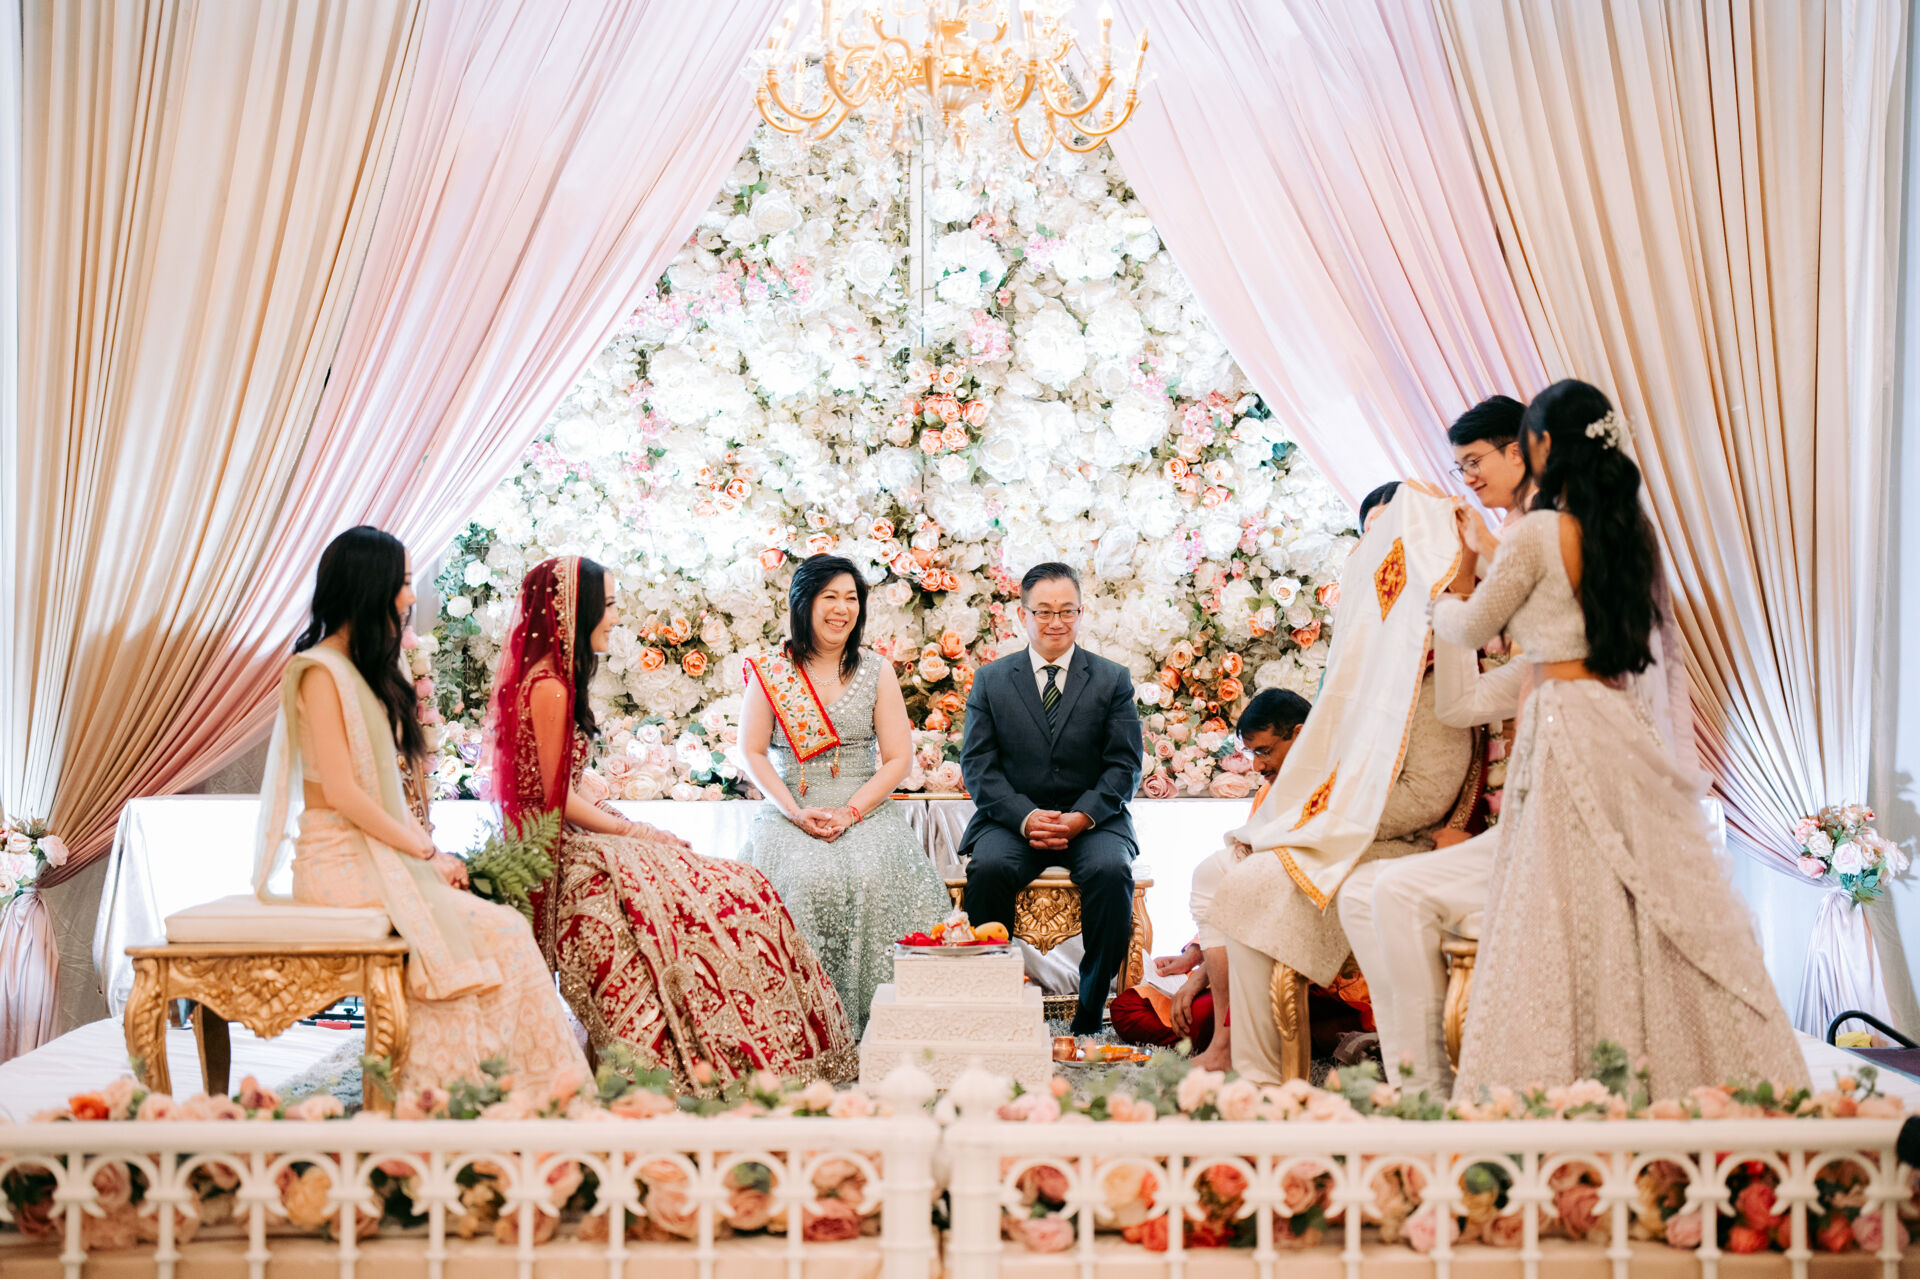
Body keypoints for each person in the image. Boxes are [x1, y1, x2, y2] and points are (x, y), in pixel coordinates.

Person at [1434, 379, 1807, 1097]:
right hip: (1615, 718)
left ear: (1543, 444)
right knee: (1631, 886)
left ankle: (1571, 1065)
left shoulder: (1537, 533)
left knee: (1556, 892)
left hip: (1561, 720)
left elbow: (1471, 625)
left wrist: (1458, 578)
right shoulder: (1625, 532)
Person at [487, 556, 855, 1090]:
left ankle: (742, 1047)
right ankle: (717, 1056)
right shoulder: (550, 687)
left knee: (734, 882)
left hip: (573, 838)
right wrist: (636, 832)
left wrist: (630, 825)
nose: (616, 617)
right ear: (575, 610)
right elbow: (555, 800)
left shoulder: (552, 680)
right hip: (558, 852)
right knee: (733, 890)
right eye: (608, 605)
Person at [254, 526, 587, 1094]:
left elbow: (382, 792)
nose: (410, 597)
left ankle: (520, 1090)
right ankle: (465, 1091)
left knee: (503, 931)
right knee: (500, 931)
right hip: (337, 862)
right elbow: (345, 794)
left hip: (375, 853)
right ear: (369, 585)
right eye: (404, 582)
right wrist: (427, 853)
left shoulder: (361, 671)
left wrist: (429, 855)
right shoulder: (318, 673)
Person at [1208, 485, 1476, 1084]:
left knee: (1260, 882)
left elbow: (1427, 797)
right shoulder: (1368, 668)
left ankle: (1268, 1076)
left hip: (1402, 840)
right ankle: (1259, 1073)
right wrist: (1307, 819)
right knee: (1244, 876)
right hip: (1351, 831)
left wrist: (1325, 822)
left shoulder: (1435, 667)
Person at [1338, 395, 1533, 1095]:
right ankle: (1420, 1084)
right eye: (1460, 468)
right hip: (1505, 804)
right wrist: (1457, 590)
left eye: (1475, 462)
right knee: (1362, 894)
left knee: (1387, 891)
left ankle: (1438, 1088)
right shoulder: (1484, 572)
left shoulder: (1546, 541)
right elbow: (1461, 704)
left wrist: (1483, 567)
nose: (1468, 479)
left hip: (1536, 810)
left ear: (1521, 452)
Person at [740, 555, 952, 1035]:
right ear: (804, 604)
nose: (842, 609)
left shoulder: (876, 669)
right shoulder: (772, 671)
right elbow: (750, 751)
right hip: (792, 811)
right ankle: (803, 1027)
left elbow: (897, 759)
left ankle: (885, 1025)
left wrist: (851, 812)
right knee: (803, 879)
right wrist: (794, 812)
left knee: (872, 874)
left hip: (865, 810)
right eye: (829, 597)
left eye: (851, 598)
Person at [960, 563, 1143, 1034]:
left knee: (1111, 871)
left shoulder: (1112, 679)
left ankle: (1090, 1011)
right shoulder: (991, 680)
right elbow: (978, 766)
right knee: (988, 869)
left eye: (1066, 611)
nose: (1055, 621)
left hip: (1094, 821)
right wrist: (1025, 817)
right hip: (1012, 821)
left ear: (1081, 613)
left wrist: (1083, 816)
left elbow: (1124, 765)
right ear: (1023, 615)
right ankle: (993, 1003)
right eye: (1043, 611)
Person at [1112, 689, 1310, 1067]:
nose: (1257, 766)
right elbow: (1234, 897)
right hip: (1247, 950)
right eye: (1251, 753)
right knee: (1128, 1008)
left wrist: (1200, 976)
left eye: (1264, 751)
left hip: (1302, 962)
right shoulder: (1270, 792)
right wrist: (1194, 957)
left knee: (1182, 1019)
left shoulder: (1331, 790)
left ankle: (1240, 1043)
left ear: (1300, 735)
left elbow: (1267, 903)